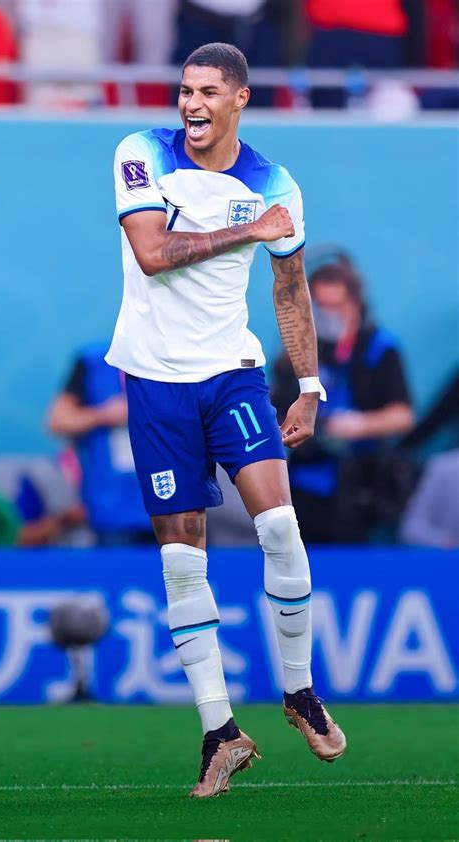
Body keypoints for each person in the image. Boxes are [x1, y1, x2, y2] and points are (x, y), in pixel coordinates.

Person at [106, 42, 346, 798]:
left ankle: (299, 692)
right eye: (184, 91)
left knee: (280, 526)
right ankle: (220, 732)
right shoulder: (141, 154)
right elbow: (151, 253)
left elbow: (289, 286)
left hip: (233, 375)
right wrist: (248, 229)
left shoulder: (277, 183)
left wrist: (308, 385)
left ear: (240, 98)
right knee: (184, 560)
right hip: (154, 381)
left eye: (208, 91)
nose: (191, 104)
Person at [272, 253, 414, 543]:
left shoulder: (380, 348)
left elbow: (403, 415)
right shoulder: (296, 353)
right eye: (321, 308)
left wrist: (357, 425)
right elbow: (277, 410)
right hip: (304, 479)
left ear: (355, 301)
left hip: (360, 482)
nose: (329, 315)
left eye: (337, 307)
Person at [48, 341, 153, 545]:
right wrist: (105, 415)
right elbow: (57, 420)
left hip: (173, 497)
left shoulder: (175, 357)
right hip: (112, 505)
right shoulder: (94, 361)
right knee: (119, 573)